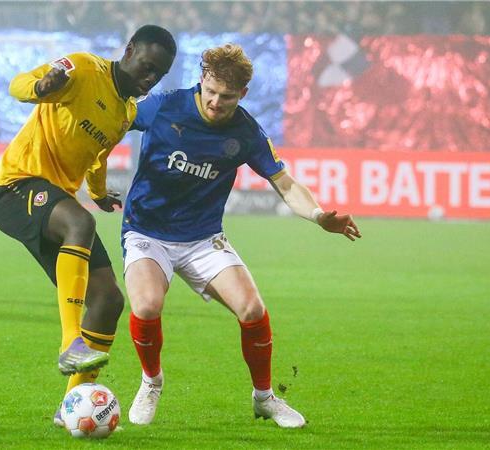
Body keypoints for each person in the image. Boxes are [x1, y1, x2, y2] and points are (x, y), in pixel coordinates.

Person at [122, 44, 361, 428]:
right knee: (147, 305)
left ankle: (264, 399)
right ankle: (151, 382)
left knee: (252, 310)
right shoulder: (165, 106)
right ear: (202, 80)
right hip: (147, 231)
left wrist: (318, 215)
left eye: (227, 96)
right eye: (211, 91)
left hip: (203, 238)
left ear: (243, 94)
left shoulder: (246, 131)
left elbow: (284, 182)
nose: (216, 102)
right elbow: (115, 120)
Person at [0, 25, 176, 421]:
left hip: (57, 202)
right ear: (128, 51)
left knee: (109, 301)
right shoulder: (83, 68)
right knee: (80, 224)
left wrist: (100, 192)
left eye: (159, 73)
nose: (150, 77)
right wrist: (40, 89)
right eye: (147, 66)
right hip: (15, 187)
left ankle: (70, 406)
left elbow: (98, 155)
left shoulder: (125, 112)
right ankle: (71, 340)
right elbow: (18, 84)